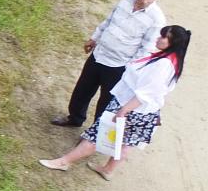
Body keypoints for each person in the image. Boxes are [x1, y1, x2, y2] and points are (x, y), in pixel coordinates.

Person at [39, 26, 190, 180]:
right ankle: (108, 170)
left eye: (163, 37)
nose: (158, 38)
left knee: (98, 136)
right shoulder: (172, 60)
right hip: (145, 112)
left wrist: (123, 111)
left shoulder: (162, 65)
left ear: (173, 42)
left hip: (131, 107)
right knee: (127, 143)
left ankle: (64, 162)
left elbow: (145, 94)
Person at [52, 0, 168, 129]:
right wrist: (94, 38)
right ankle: (75, 118)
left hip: (118, 65)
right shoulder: (126, 0)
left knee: (106, 101)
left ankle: (95, 132)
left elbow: (146, 48)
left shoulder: (156, 19)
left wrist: (129, 68)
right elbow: (108, 21)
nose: (144, 1)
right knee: (82, 90)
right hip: (99, 54)